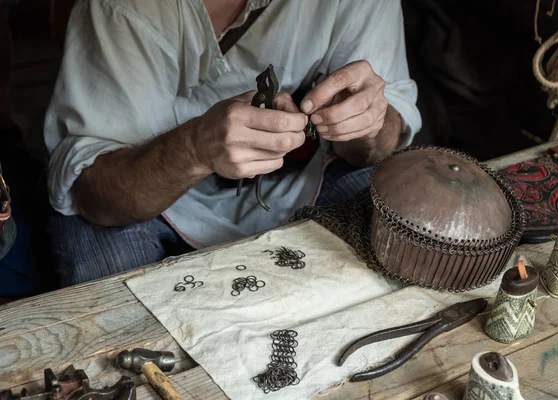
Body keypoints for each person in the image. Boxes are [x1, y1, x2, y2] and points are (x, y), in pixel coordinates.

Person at [44, 0, 422, 286]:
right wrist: (194, 148)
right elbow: (97, 193)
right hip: (152, 195)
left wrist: (367, 124)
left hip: (308, 179)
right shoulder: (121, 8)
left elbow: (380, 144)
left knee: (407, 230)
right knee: (114, 297)